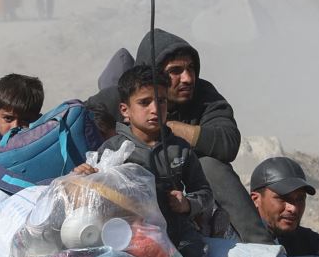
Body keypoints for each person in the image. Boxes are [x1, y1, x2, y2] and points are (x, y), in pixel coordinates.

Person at [84, 65, 225, 257]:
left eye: (161, 101)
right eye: (144, 102)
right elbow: (95, 198)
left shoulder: (180, 149)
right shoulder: (113, 150)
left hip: (178, 238)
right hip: (128, 240)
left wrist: (187, 204)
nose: (154, 109)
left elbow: (204, 193)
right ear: (125, 110)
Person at [87, 30, 262, 243]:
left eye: (190, 69)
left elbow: (227, 143)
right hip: (125, 214)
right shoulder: (121, 97)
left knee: (211, 166)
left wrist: (167, 128)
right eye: (175, 71)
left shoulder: (204, 96)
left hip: (185, 202)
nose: (187, 78)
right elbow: (82, 121)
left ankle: (261, 245)